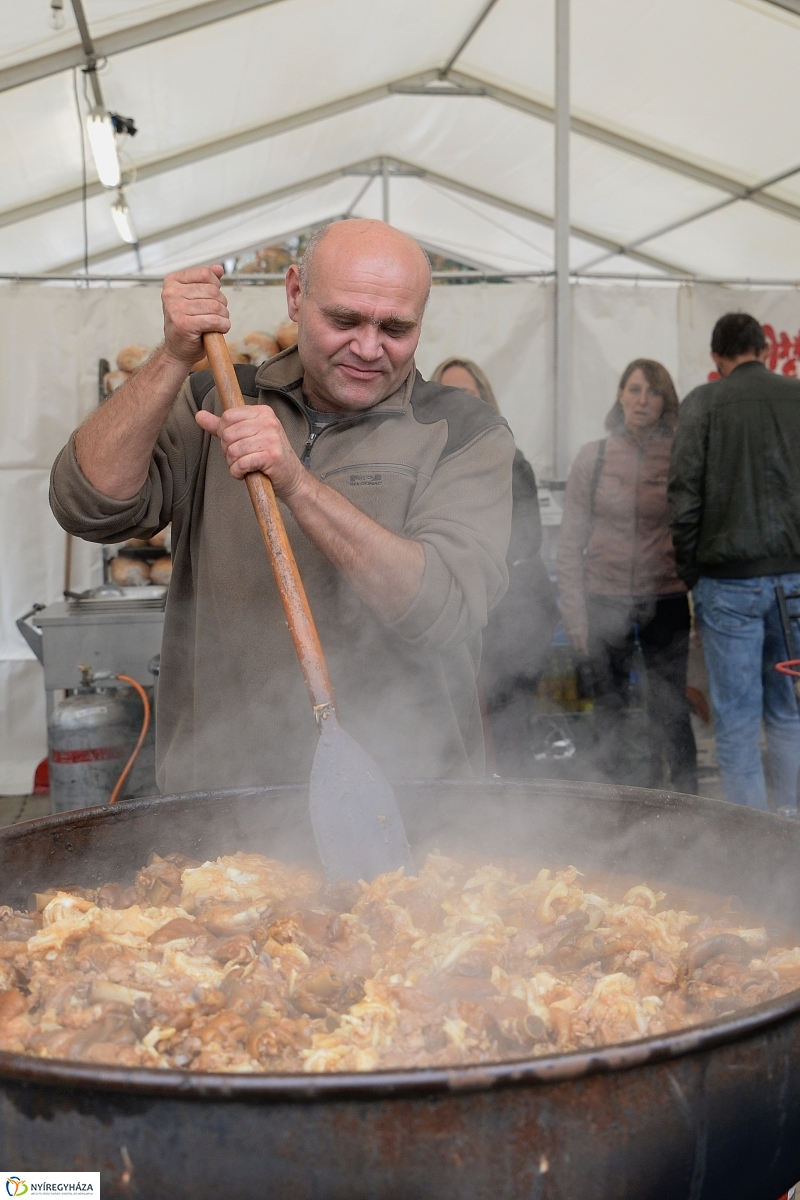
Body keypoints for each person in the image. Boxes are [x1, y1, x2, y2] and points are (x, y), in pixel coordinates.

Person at [50, 220, 515, 793]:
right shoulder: (213, 400)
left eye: (396, 328)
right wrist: (173, 357)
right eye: (344, 320)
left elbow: (443, 607)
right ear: (296, 294)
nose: (368, 349)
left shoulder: (464, 431)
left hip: (409, 800)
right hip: (220, 796)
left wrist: (299, 485)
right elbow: (86, 504)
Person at [669, 312, 800, 813]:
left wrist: (692, 576)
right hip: (794, 586)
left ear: (717, 358)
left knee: (738, 726)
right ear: (765, 351)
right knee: (789, 715)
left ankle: (749, 846)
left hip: (727, 585)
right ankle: (791, 833)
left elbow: (683, 498)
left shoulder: (704, 403)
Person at [558, 359, 697, 793]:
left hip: (667, 598)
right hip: (604, 597)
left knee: (670, 711)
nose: (642, 400)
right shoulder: (593, 457)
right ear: (620, 395)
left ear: (665, 402)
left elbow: (697, 530)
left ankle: (685, 804)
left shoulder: (681, 456)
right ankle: (614, 804)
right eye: (634, 389)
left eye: (653, 392)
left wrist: (700, 601)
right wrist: (576, 615)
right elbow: (569, 543)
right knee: (608, 710)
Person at [431, 357, 558, 776]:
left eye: (468, 393)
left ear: (485, 399)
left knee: (508, 731)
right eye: (447, 392)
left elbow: (525, 539)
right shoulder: (428, 460)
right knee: (463, 729)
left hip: (514, 611)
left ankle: (511, 823)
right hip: (461, 613)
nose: (459, 402)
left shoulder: (507, 455)